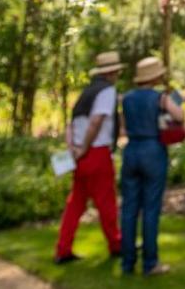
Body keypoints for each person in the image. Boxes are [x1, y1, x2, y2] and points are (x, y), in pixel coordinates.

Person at [54, 51, 123, 264]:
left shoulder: (86, 93)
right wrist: (83, 148)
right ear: (112, 72)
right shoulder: (107, 91)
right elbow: (96, 122)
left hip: (79, 154)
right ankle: (116, 245)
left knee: (75, 203)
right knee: (106, 202)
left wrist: (73, 148)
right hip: (96, 152)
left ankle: (63, 249)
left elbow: (71, 124)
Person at [120, 56, 184, 276]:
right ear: (156, 76)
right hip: (153, 150)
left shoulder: (126, 99)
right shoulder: (161, 98)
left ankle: (127, 263)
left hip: (131, 151)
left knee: (128, 209)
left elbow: (124, 128)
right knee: (150, 209)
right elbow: (181, 116)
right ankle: (150, 263)